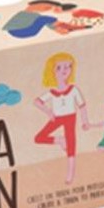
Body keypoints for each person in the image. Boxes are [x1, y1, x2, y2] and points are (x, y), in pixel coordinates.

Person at [34, 52, 90, 185]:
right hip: (57, 118)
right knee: (39, 138)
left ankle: (70, 174)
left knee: (71, 145)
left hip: (70, 118)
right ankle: (59, 140)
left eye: (68, 66)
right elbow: (37, 102)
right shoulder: (52, 92)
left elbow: (82, 106)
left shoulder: (74, 89)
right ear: (52, 70)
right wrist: (48, 112)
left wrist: (85, 121)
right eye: (59, 67)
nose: (64, 70)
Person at [3, 0, 77, 39]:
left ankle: (61, 27)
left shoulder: (35, 15)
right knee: (44, 18)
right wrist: (56, 27)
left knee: (44, 19)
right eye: (47, 7)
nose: (47, 9)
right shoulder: (25, 14)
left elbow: (46, 22)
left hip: (20, 31)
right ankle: (62, 27)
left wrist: (55, 28)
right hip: (17, 31)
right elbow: (45, 20)